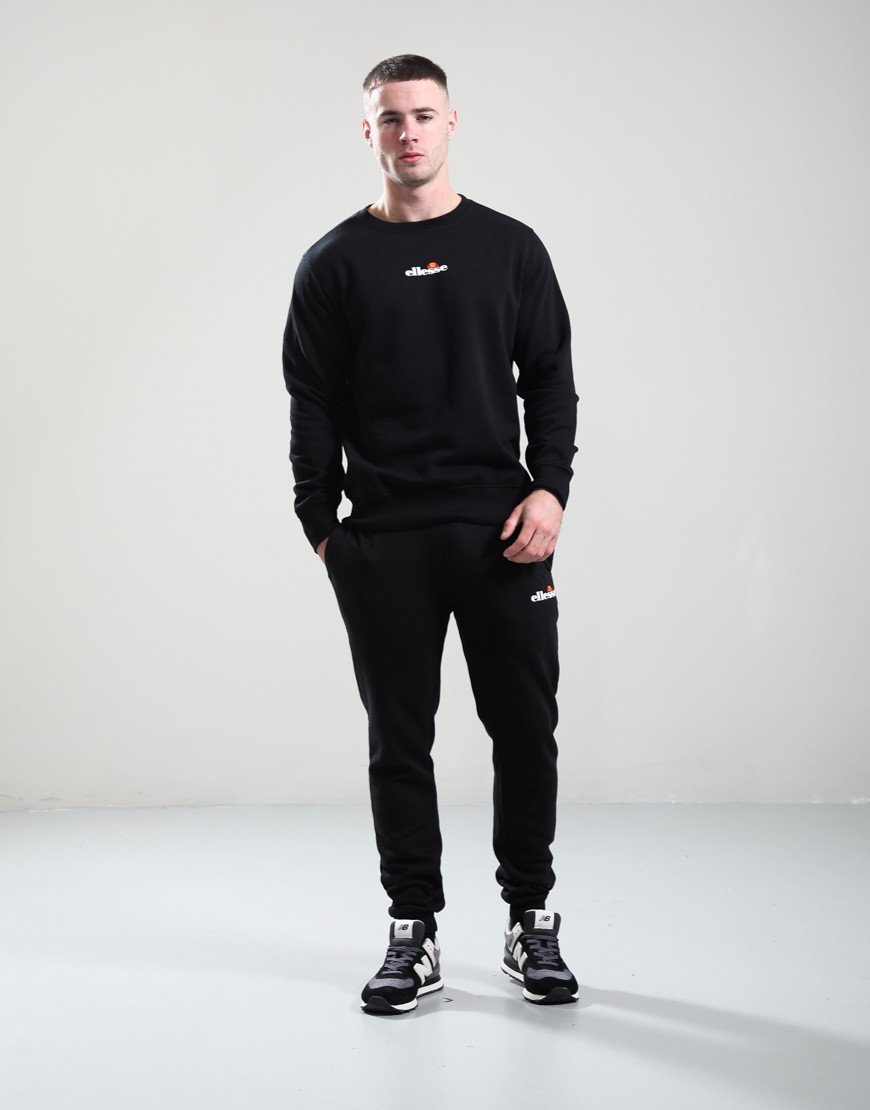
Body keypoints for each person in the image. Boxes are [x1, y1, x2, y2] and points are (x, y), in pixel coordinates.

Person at [282, 53, 580, 1014]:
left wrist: (551, 490)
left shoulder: (510, 248)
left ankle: (531, 918)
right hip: (385, 544)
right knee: (399, 741)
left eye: (422, 114)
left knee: (525, 731)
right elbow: (311, 400)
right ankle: (413, 929)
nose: (407, 132)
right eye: (390, 118)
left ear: (452, 123)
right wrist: (323, 528)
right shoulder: (333, 263)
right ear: (366, 132)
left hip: (505, 534)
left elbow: (551, 379)